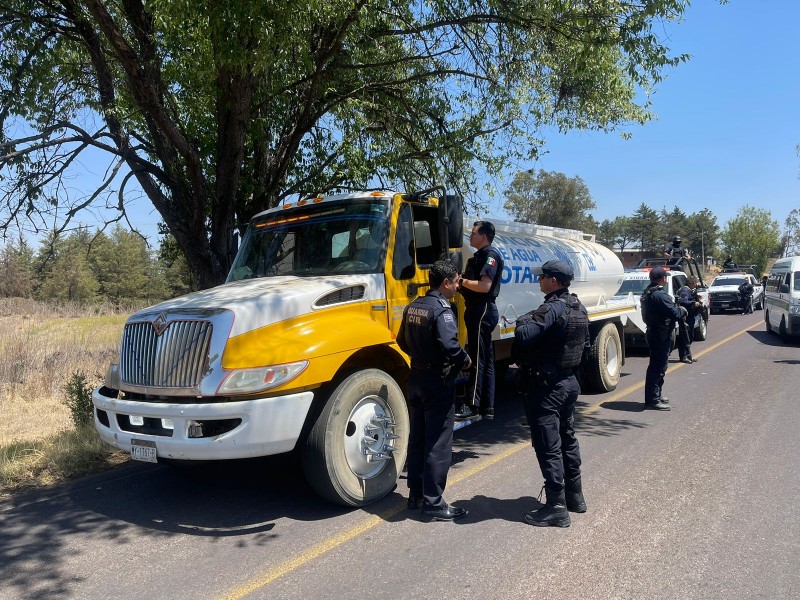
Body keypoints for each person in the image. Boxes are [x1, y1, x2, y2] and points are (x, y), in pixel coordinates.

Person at [511, 259, 589, 528]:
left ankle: (556, 507)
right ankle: (575, 497)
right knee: (568, 439)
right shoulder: (579, 307)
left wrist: (524, 319)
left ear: (553, 281)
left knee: (548, 446)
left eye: (542, 277)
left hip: (547, 387)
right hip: (568, 383)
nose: (539, 280)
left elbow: (523, 336)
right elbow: (585, 346)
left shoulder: (553, 307)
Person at [397, 260, 472, 521]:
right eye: (456, 282)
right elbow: (450, 344)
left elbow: (401, 341)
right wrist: (465, 360)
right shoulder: (443, 310)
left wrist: (420, 357)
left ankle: (416, 495)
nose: (457, 287)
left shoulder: (414, 306)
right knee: (438, 444)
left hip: (415, 377)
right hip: (436, 382)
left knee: (417, 439)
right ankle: (434, 503)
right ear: (446, 282)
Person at [455, 220, 504, 420]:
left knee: (477, 359)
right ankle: (487, 407)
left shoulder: (490, 256)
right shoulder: (477, 257)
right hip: (475, 308)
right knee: (487, 360)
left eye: (474, 233)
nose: (470, 236)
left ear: (483, 236)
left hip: (482, 309)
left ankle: (472, 406)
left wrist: (461, 281)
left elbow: (484, 286)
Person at [641, 267, 687, 411]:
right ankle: (652, 399)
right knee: (658, 367)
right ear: (663, 279)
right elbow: (673, 312)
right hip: (660, 334)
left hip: (656, 332)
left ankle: (656, 395)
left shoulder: (649, 291)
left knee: (660, 366)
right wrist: (682, 310)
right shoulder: (659, 295)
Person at [675, 276, 701, 364]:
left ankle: (688, 355)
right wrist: (694, 303)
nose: (696, 285)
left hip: (690, 317)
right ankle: (683, 356)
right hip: (685, 317)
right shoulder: (685, 290)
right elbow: (682, 301)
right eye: (695, 283)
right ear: (691, 283)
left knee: (690, 337)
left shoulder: (690, 290)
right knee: (684, 337)